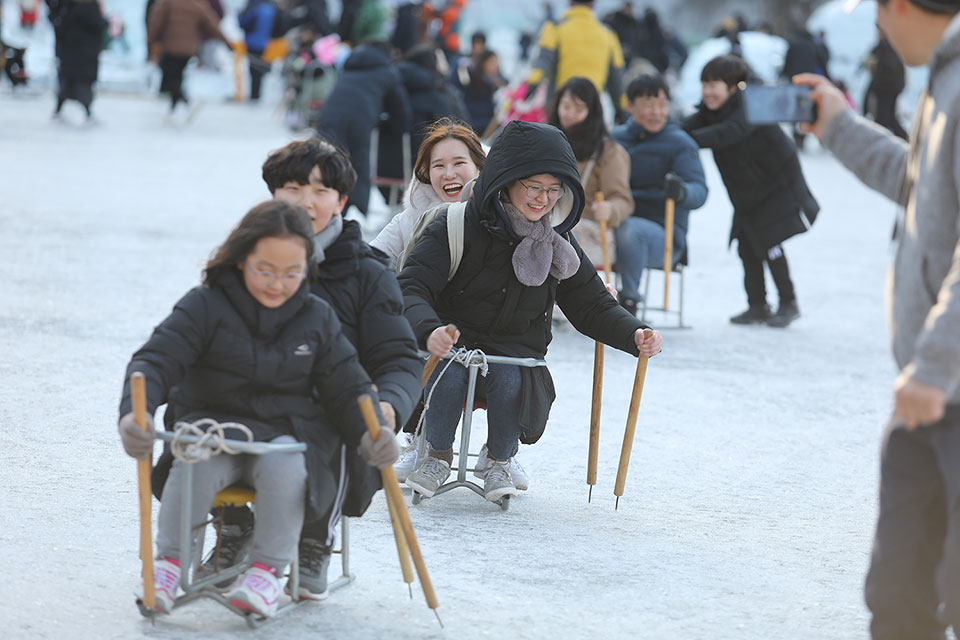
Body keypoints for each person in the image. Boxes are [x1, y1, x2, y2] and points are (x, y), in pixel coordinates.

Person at [117, 201, 399, 616]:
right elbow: (155, 361)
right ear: (241, 259)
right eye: (264, 271)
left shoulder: (316, 316)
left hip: (283, 436)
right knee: (194, 462)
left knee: (286, 471)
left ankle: (267, 572)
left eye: (291, 274)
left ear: (307, 268)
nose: (277, 284)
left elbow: (348, 385)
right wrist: (134, 413)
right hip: (213, 427)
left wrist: (370, 432)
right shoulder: (205, 305)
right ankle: (169, 565)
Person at [191, 138, 423, 600]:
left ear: (340, 201)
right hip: (247, 405)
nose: (304, 202)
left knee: (333, 425)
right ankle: (232, 528)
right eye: (293, 188)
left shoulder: (366, 273)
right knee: (198, 407)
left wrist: (390, 404)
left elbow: (398, 356)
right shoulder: (242, 263)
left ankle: (314, 539)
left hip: (329, 411)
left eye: (320, 191)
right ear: (273, 196)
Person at [795, 1, 960, 636]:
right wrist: (839, 124)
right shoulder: (944, 75)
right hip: (929, 396)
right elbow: (918, 182)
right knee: (897, 593)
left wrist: (936, 367)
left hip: (941, 382)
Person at [398, 120, 663, 502]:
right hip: (451, 346)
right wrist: (428, 330)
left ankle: (499, 461)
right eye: (534, 188)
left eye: (554, 191)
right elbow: (412, 285)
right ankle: (435, 453)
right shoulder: (455, 225)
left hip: (517, 356)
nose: (543, 200)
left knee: (510, 378)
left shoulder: (557, 241)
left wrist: (634, 333)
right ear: (507, 180)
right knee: (450, 373)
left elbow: (590, 303)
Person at [683, 55, 818, 328]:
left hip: (776, 184)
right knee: (747, 245)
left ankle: (788, 302)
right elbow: (688, 127)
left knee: (770, 242)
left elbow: (729, 133)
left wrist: (686, 140)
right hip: (748, 192)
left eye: (714, 85)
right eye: (704, 84)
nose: (708, 92)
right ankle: (757, 305)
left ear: (733, 87)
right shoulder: (710, 113)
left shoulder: (753, 106)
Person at [611, 74, 707, 315]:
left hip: (662, 235)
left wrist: (682, 191)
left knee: (631, 230)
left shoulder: (680, 143)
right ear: (630, 105)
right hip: (613, 219)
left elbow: (700, 190)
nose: (656, 112)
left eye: (661, 104)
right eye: (648, 104)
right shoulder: (614, 139)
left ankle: (629, 300)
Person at [372, 117, 485, 269]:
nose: (449, 174)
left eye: (459, 163)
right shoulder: (407, 222)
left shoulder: (500, 219)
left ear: (479, 167)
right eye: (439, 165)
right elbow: (368, 267)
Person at [314, 40, 411, 216]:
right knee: (358, 163)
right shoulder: (387, 71)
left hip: (329, 115)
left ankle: (324, 207)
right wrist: (398, 127)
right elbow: (399, 109)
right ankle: (352, 211)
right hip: (359, 119)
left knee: (327, 161)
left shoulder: (349, 68)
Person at [547, 76, 634, 272]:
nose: (570, 114)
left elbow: (623, 199)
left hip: (582, 233)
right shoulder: (545, 141)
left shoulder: (608, 151)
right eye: (566, 106)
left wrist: (610, 209)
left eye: (579, 109)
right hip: (545, 225)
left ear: (592, 112)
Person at [527, 0, 626, 116]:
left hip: (560, 107)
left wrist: (529, 88)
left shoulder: (555, 28)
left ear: (569, 2)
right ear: (593, 4)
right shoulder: (608, 34)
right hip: (590, 106)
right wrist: (621, 110)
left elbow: (542, 63)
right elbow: (617, 79)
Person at [147, 0, 231, 115]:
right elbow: (213, 25)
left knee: (170, 77)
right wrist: (227, 43)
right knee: (177, 76)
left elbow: (156, 22)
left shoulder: (168, 3)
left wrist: (150, 41)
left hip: (171, 47)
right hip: (189, 49)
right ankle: (173, 109)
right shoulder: (197, 4)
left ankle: (187, 101)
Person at [52, 0, 107, 123]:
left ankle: (59, 110)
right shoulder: (89, 8)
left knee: (67, 84)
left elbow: (60, 27)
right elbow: (98, 24)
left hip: (70, 54)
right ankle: (88, 113)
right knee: (83, 86)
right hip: (85, 56)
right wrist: (107, 21)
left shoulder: (69, 7)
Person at [862, 33, 908, 139]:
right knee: (885, 118)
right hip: (885, 88)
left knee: (885, 118)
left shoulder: (889, 47)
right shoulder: (883, 46)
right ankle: (903, 140)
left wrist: (875, 66)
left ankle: (903, 140)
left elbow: (889, 67)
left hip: (887, 89)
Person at [238, 0, 277, 102]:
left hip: (252, 42)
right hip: (265, 42)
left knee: (253, 69)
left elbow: (244, 23)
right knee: (258, 68)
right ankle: (257, 94)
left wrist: (239, 14)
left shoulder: (254, 8)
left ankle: (254, 95)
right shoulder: (271, 8)